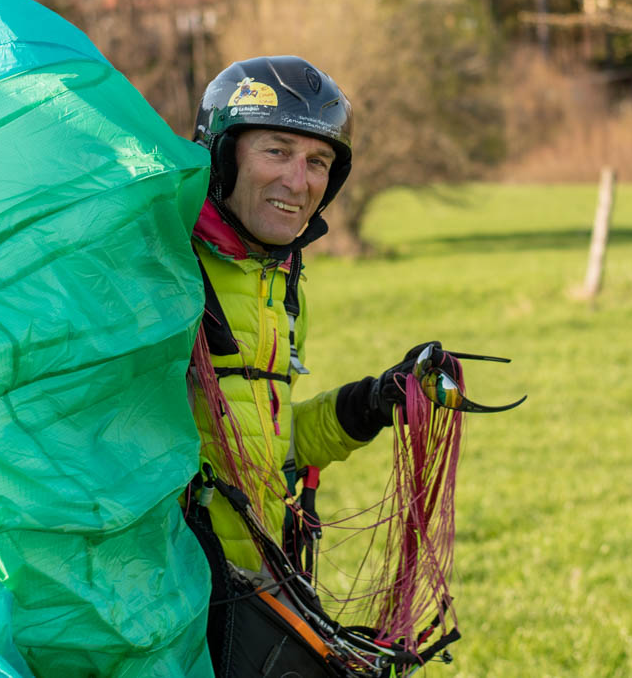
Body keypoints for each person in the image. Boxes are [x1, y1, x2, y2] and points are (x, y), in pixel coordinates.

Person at [182, 56, 459, 676]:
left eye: (317, 162)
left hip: (252, 578)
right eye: (276, 151)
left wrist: (372, 403)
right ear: (221, 157)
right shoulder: (162, 266)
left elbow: (266, 448)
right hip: (168, 598)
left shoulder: (277, 282)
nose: (297, 180)